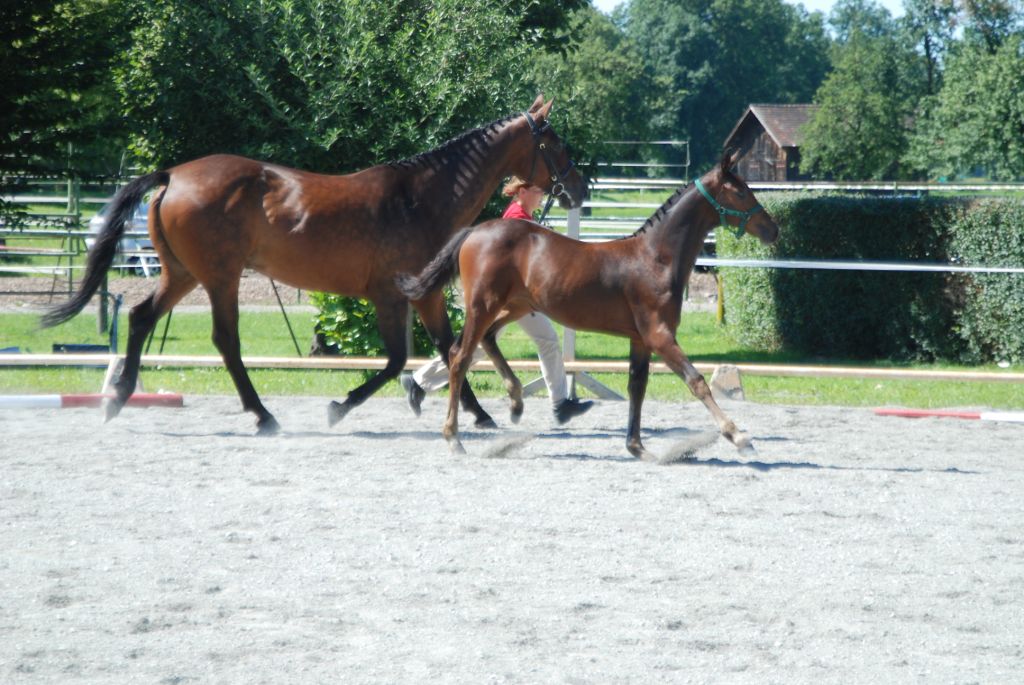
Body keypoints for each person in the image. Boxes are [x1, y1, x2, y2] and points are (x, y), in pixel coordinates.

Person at [401, 176, 594, 425]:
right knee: (488, 345)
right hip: (514, 296)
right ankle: (419, 382)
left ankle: (560, 403)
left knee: (538, 340)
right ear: (522, 192)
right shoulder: (516, 218)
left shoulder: (523, 216)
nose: (542, 195)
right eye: (537, 191)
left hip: (521, 296)